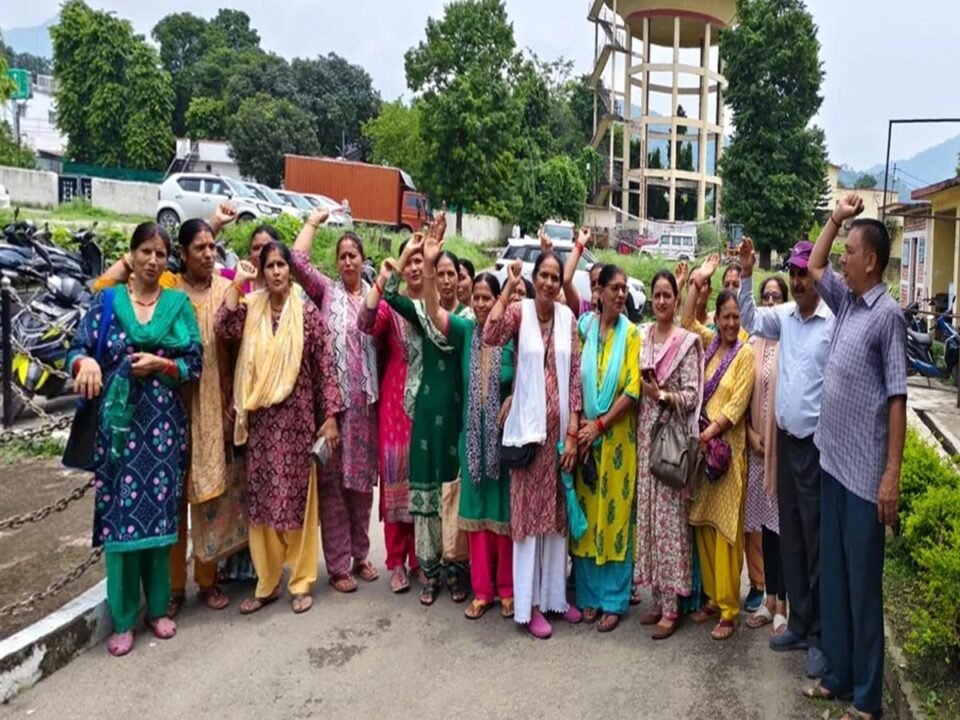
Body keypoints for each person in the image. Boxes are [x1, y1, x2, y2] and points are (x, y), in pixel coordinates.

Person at [69, 222, 203, 657]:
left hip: (162, 430)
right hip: (118, 431)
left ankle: (158, 610)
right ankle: (124, 618)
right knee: (120, 521)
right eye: (145, 251)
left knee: (161, 521)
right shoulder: (108, 302)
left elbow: (195, 363)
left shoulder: (178, 306)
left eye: (160, 254)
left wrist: (162, 366)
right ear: (131, 255)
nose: (153, 260)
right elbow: (76, 349)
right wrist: (86, 363)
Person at [95, 219, 238, 616]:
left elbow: (236, 348)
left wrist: (234, 401)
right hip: (168, 410)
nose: (208, 254)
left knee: (209, 496)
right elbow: (104, 289)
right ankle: (174, 588)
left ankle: (207, 580)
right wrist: (133, 259)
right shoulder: (170, 287)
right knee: (170, 500)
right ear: (184, 255)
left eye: (212, 247)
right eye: (199, 248)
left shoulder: (226, 288)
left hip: (211, 404)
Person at [803, 195, 907, 720]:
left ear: (872, 260)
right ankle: (839, 674)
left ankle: (867, 698)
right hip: (832, 463)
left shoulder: (888, 317)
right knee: (836, 576)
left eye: (851, 250)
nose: (842, 257)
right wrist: (836, 218)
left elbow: (897, 398)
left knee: (863, 588)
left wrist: (892, 474)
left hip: (866, 476)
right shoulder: (846, 301)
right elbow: (814, 264)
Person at [215, 241, 343, 616]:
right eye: (269, 265)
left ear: (290, 270)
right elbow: (223, 326)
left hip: (298, 423)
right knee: (262, 505)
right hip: (261, 426)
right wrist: (237, 283)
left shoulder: (306, 312)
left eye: (281, 265)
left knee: (299, 503)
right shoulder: (252, 308)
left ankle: (301, 582)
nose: (275, 272)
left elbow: (324, 367)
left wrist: (329, 417)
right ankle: (267, 583)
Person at [737, 236, 834, 677]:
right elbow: (749, 318)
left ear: (818, 276)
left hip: (815, 449)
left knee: (814, 542)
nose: (796, 281)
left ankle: (818, 635)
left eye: (803, 273)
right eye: (792, 273)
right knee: (791, 536)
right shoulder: (787, 318)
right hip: (786, 444)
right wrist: (746, 273)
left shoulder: (831, 322)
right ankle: (797, 623)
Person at [484, 253, 584, 639]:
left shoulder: (567, 319)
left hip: (557, 441)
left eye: (555, 277)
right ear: (534, 277)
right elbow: (490, 334)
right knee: (529, 522)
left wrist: (572, 432)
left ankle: (555, 598)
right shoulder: (519, 312)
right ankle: (531, 605)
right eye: (543, 275)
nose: (548, 283)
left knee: (555, 520)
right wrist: (509, 286)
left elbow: (574, 378)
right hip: (528, 437)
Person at [420, 232, 516, 620]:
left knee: (503, 519)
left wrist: (512, 396)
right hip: (472, 442)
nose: (479, 303)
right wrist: (429, 265)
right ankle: (483, 591)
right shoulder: (464, 331)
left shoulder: (510, 336)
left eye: (487, 298)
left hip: (504, 444)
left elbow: (529, 375)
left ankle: (507, 589)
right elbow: (432, 311)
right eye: (475, 297)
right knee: (475, 522)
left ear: (498, 301)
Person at [290, 209, 380, 593]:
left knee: (360, 488)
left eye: (352, 255)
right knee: (333, 489)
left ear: (363, 260)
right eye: (342, 256)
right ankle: (339, 566)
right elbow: (297, 261)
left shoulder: (375, 298)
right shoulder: (327, 292)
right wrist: (313, 222)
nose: (347, 262)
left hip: (366, 408)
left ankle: (361, 555)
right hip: (332, 408)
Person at [381, 232, 464, 605]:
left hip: (457, 416)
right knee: (427, 492)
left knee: (453, 493)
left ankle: (455, 569)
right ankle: (428, 572)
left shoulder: (466, 319)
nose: (445, 280)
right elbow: (389, 293)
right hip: (425, 414)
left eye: (450, 274)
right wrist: (413, 255)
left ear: (459, 279)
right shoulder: (419, 313)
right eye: (439, 274)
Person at [682, 255, 755, 641]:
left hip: (726, 454)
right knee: (704, 525)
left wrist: (707, 434)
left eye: (735, 318)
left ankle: (729, 608)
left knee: (726, 532)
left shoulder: (745, 354)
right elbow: (686, 322)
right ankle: (712, 597)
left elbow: (736, 406)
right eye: (725, 317)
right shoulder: (710, 345)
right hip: (703, 453)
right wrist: (699, 280)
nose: (729, 323)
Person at [633, 270, 704, 640]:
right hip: (646, 437)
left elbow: (692, 394)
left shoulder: (687, 342)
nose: (661, 301)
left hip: (671, 443)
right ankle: (658, 599)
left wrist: (661, 395)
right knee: (648, 518)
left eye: (667, 295)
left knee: (669, 523)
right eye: (657, 295)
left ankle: (673, 606)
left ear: (677, 300)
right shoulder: (643, 335)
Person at [571, 264, 641, 632]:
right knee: (587, 516)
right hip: (586, 439)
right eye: (614, 287)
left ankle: (613, 600)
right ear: (598, 292)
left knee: (614, 517)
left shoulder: (631, 335)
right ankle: (589, 596)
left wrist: (598, 426)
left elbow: (632, 390)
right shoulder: (584, 329)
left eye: (624, 288)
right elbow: (574, 379)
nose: (620, 294)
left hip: (616, 441)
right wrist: (580, 430)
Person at [359, 240, 422, 594]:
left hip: (427, 403)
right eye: (408, 262)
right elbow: (365, 322)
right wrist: (384, 279)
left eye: (419, 261)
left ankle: (422, 559)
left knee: (423, 480)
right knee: (397, 477)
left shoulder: (433, 305)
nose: (414, 268)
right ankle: (396, 561)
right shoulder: (390, 307)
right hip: (396, 402)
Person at [742, 272, 789, 633]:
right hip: (755, 449)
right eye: (766, 297)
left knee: (782, 530)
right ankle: (768, 598)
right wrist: (750, 434)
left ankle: (783, 604)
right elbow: (742, 394)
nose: (771, 302)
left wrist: (772, 440)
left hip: (782, 451)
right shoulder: (752, 341)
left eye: (777, 297)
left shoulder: (791, 340)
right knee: (763, 528)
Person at [559, 227, 603, 317]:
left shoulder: (615, 314)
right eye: (593, 283)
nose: (596, 286)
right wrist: (580, 243)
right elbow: (566, 280)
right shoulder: (584, 309)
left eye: (601, 282)